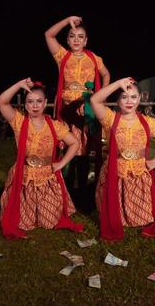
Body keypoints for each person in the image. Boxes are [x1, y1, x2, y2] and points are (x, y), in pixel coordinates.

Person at [0, 78, 83, 239]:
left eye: (38, 101)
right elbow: (1, 101)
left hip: (47, 176)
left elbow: (74, 143)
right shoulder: (19, 121)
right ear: (26, 105)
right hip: (24, 175)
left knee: (50, 221)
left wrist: (61, 164)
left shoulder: (54, 125)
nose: (35, 106)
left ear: (45, 103)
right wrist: (18, 85)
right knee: (23, 222)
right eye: (30, 102)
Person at [90, 77, 155, 240]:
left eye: (134, 97)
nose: (129, 101)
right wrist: (118, 84)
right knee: (112, 212)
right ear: (118, 100)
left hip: (138, 172)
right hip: (115, 171)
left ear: (140, 99)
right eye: (124, 97)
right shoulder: (110, 118)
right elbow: (94, 100)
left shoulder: (148, 122)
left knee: (142, 215)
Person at [44, 15, 110, 188]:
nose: (76, 40)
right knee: (67, 146)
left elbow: (106, 74)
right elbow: (49, 35)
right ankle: (65, 188)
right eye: (72, 36)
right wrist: (67, 21)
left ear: (86, 41)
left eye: (80, 37)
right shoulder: (62, 56)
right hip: (67, 110)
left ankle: (82, 189)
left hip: (85, 110)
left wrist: (101, 95)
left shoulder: (94, 58)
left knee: (85, 149)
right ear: (66, 40)